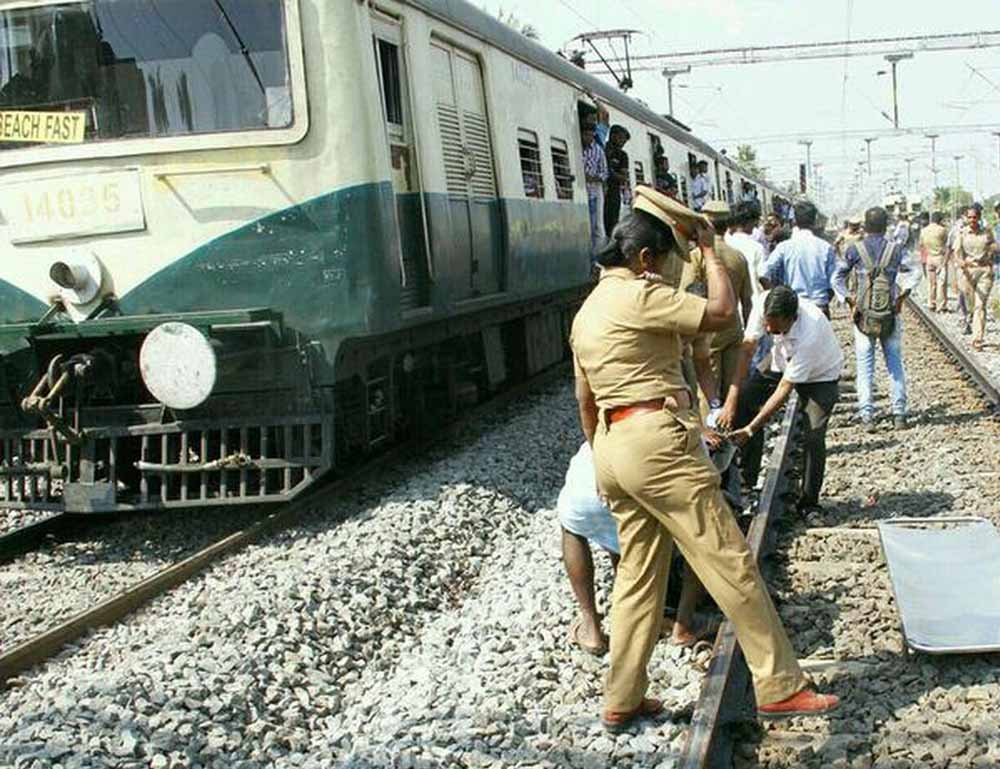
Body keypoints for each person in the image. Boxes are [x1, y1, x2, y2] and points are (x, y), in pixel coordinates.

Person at [570, 186, 837, 731]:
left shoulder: (587, 310)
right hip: (656, 444)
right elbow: (720, 311)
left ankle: (622, 696)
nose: (671, 270)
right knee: (729, 558)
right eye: (668, 259)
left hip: (614, 447)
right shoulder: (638, 295)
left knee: (637, 576)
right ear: (645, 258)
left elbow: (585, 399)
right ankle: (780, 685)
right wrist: (711, 252)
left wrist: (600, 457)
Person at [719, 286, 843, 518]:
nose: (768, 330)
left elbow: (785, 388)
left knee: (814, 435)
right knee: (745, 400)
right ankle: (746, 482)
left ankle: (809, 503)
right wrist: (731, 398)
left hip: (821, 375)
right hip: (781, 361)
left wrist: (751, 428)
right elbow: (747, 350)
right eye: (767, 324)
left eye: (774, 327)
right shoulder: (765, 302)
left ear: (791, 319)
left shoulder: (811, 330)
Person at [833, 206, 921, 431]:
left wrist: (849, 300)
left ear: (865, 225)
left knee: (865, 366)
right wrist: (902, 296)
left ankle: (867, 416)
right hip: (890, 313)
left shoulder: (854, 250)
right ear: (885, 226)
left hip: (863, 316)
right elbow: (915, 272)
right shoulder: (896, 249)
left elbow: (836, 278)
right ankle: (899, 414)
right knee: (895, 364)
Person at [559, 442, 620, 655]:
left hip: (597, 476)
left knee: (571, 528)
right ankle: (630, 618)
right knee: (623, 535)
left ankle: (591, 625)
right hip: (640, 475)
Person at [699, 201, 754, 397]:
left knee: (709, 394)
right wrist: (748, 333)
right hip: (733, 328)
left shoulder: (696, 256)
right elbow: (747, 302)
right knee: (732, 389)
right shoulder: (738, 257)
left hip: (707, 332)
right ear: (728, 225)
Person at [764, 200, 837, 315]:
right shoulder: (825, 247)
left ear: (794, 221)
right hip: (819, 306)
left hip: (794, 308)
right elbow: (834, 281)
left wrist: (776, 295)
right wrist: (824, 298)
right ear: (815, 220)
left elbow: (763, 273)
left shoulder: (784, 247)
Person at [955, 205, 999, 351]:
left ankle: (977, 339)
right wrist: (962, 263)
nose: (972, 220)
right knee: (971, 306)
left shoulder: (987, 232)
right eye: (970, 217)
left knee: (980, 305)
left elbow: (994, 247)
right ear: (966, 218)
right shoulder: (962, 234)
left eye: (975, 217)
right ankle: (969, 319)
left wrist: (993, 248)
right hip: (968, 272)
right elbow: (957, 254)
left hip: (984, 271)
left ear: (979, 218)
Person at [727, 200, 768, 297]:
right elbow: (762, 277)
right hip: (753, 300)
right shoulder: (756, 248)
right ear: (750, 221)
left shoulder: (726, 243)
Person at [582, 124, 608, 253]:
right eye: (585, 135)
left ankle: (594, 257)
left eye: (590, 135)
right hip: (580, 192)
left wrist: (591, 178)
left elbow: (604, 173)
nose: (588, 138)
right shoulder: (576, 147)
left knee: (594, 227)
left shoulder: (598, 151)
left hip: (592, 193)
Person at [920, 212, 950, 312]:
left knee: (931, 283)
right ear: (940, 220)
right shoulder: (942, 230)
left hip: (929, 257)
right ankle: (941, 305)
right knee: (941, 283)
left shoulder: (924, 231)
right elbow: (946, 243)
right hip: (939, 257)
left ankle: (931, 303)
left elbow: (921, 244)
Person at [604, 125, 631, 236]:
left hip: (613, 192)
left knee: (612, 221)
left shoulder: (622, 155)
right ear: (613, 135)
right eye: (621, 138)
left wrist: (608, 172)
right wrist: (611, 172)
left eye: (624, 140)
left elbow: (623, 177)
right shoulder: (602, 148)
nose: (623, 142)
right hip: (601, 190)